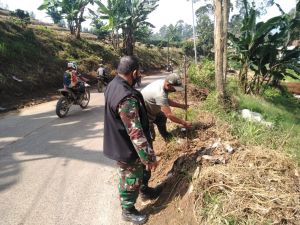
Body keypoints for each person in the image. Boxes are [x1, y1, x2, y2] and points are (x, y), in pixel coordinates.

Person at [103, 56, 161, 225]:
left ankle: (145, 191)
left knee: (140, 174)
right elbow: (135, 132)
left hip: (122, 142)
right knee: (130, 179)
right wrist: (149, 157)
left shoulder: (113, 85)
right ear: (134, 72)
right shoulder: (126, 97)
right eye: (139, 73)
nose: (139, 76)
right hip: (126, 147)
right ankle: (128, 210)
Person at [141, 74, 192, 141]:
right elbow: (169, 115)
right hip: (144, 115)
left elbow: (165, 100)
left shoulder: (162, 83)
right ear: (168, 85)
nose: (175, 91)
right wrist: (184, 123)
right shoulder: (159, 94)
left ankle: (165, 135)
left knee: (161, 117)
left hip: (150, 109)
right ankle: (149, 148)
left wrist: (181, 106)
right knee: (150, 136)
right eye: (174, 89)